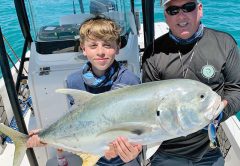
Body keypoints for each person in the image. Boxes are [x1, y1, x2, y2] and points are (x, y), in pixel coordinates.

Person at [27, 16, 142, 166]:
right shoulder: (74, 81)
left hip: (125, 158)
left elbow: (136, 126)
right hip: (91, 156)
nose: (100, 52)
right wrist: (47, 134)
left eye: (107, 45)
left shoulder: (129, 81)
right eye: (93, 46)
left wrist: (133, 151)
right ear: (83, 49)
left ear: (118, 47)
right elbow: (77, 122)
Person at [142, 0, 240, 166]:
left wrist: (220, 113)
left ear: (200, 9)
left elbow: (236, 89)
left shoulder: (224, 43)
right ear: (166, 16)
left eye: (188, 7)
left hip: (209, 148)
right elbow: (149, 106)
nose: (181, 15)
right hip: (167, 149)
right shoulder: (153, 52)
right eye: (173, 10)